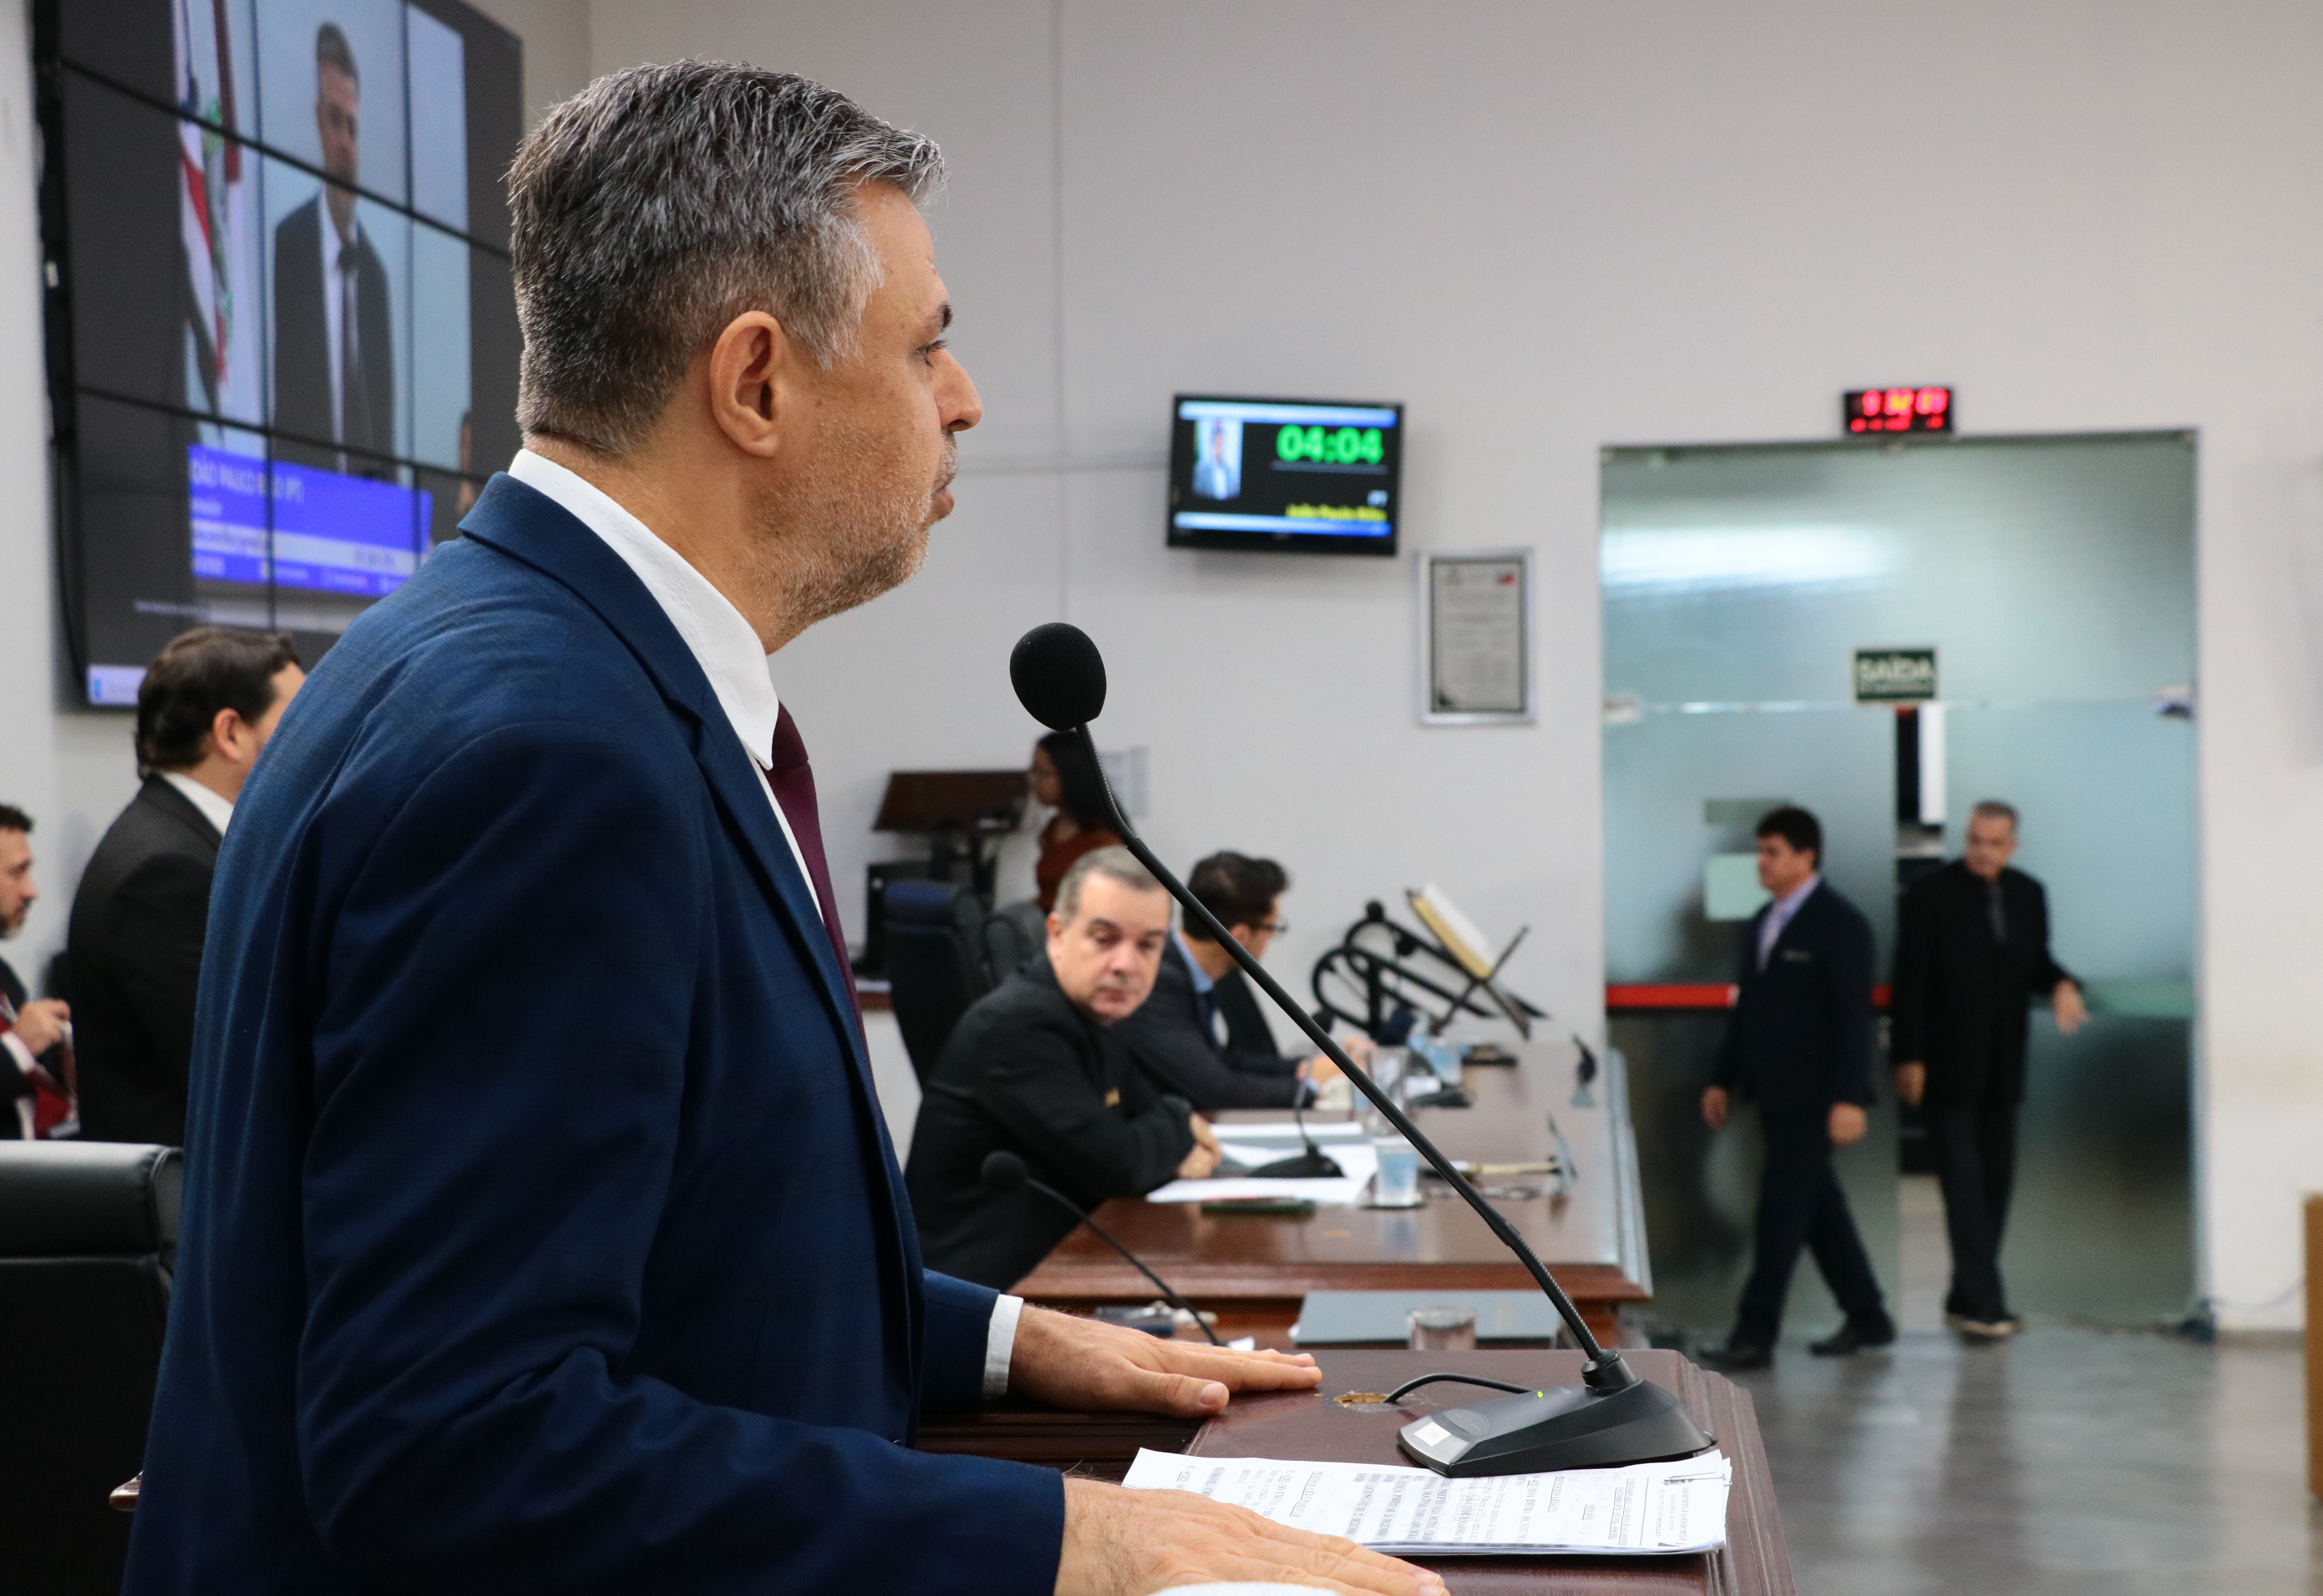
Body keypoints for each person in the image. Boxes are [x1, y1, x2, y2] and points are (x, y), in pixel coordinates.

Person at [126, 64, 1434, 1596]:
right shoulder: (549, 753)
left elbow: (682, 1256)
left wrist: (1007, 1338)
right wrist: (1071, 1533)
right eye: (927, 344)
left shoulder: (503, 657)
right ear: (755, 381)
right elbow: (458, 1444)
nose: (965, 397)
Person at [908, 847, 1223, 1288]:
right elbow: (1123, 1163)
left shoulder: (1095, 1013)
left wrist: (1169, 1124)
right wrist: (1179, 1129)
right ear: (1057, 934)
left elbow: (1148, 1111)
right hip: (980, 1296)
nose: (1126, 965)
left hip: (1057, 1268)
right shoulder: (1017, 1026)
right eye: (1104, 939)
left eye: (1148, 945)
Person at [69, 627, 304, 1146]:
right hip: (185, 1191)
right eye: (299, 719)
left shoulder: (181, 843)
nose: (316, 739)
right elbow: (240, 1072)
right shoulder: (163, 872)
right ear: (231, 733)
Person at [1699, 805, 1894, 1371]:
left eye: (1773, 852)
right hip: (1773, 1094)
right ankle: (1868, 1316)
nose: (1761, 862)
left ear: (1807, 857)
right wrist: (1722, 1079)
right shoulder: (1764, 921)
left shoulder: (1841, 924)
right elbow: (1748, 1012)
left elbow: (1854, 1019)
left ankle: (1754, 1335)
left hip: (1817, 1098)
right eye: (1759, 851)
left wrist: (1850, 1096)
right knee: (1820, 1209)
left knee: (1780, 1213)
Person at [1892, 799, 2086, 1342]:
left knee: (1998, 1183)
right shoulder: (1931, 894)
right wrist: (1909, 1056)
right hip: (1946, 1066)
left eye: (1994, 843)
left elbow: (2035, 962)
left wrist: (2064, 984)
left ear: (2012, 845)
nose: (1982, 851)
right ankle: (1985, 1305)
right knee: (1963, 1187)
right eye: (1975, 840)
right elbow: (1910, 978)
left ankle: (1964, 1294)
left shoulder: (2029, 894)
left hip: (2004, 1067)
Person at [1112, 850, 1344, 1110]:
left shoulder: (1187, 970)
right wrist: (1311, 1086)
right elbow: (1216, 1090)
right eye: (1273, 928)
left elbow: (1220, 1062)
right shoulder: (1158, 980)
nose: (1271, 939)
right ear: (1241, 936)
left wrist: (1305, 1068)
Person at [272, 24, 394, 464]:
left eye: (353, 128)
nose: (345, 144)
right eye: (335, 121)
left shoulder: (375, 276)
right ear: (317, 122)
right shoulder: (289, 245)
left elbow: (385, 435)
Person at [0, 805, 75, 1141]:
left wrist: (69, 1069)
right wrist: (18, 1048)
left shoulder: (5, 977)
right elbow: (17, 1053)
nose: (32, 891)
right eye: (17, 873)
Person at [1029, 727, 1121, 911]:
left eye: (1045, 774)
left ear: (1071, 774)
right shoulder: (1053, 827)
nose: (1035, 782)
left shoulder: (1103, 840)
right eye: (1034, 773)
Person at [1193, 415, 1241, 500]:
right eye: (1218, 444)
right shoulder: (1201, 471)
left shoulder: (1230, 472)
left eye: (1222, 444)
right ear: (1212, 445)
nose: (1220, 448)